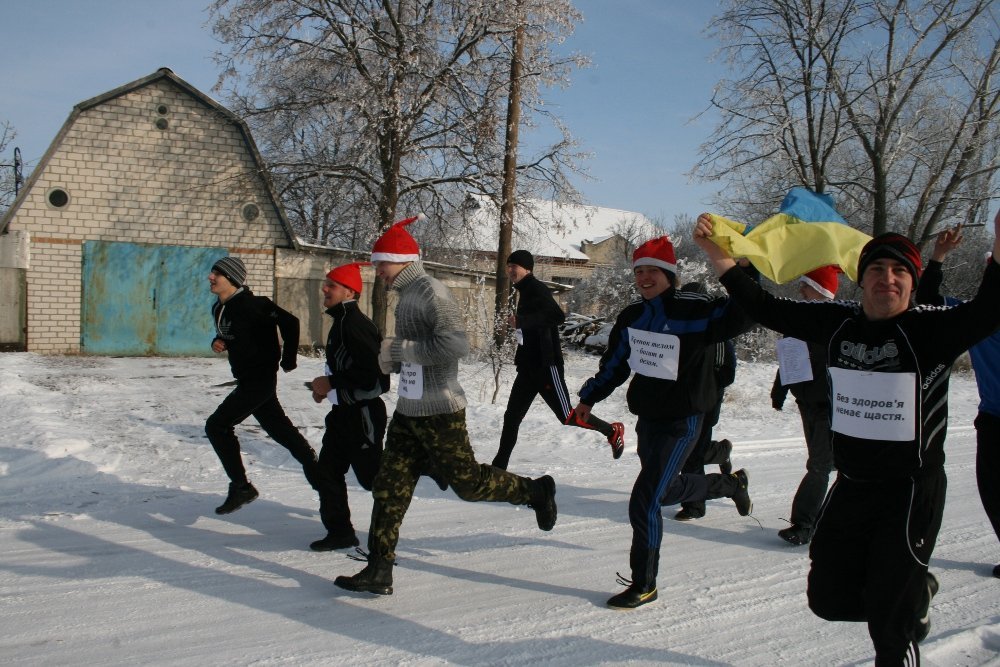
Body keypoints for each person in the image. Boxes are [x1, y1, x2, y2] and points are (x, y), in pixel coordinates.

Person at [693, 210, 1000, 666]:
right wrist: (718, 255)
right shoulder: (839, 322)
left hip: (910, 491)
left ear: (913, 283)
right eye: (877, 269)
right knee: (828, 599)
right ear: (862, 279)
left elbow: (991, 308)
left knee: (889, 628)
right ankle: (912, 594)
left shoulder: (932, 330)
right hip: (852, 485)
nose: (887, 279)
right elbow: (765, 308)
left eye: (899, 272)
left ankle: (901, 612)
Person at [334, 215, 558, 596]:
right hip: (409, 410)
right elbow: (418, 352)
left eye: (381, 264)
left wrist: (400, 350)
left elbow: (456, 346)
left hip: (440, 410)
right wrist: (394, 359)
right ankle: (379, 568)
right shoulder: (407, 295)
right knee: (388, 486)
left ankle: (535, 491)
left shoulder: (431, 293)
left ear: (400, 259)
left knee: (469, 485)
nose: (379, 272)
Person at [571, 236, 756, 609]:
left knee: (645, 499)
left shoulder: (694, 307)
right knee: (667, 490)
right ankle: (729, 484)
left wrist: (744, 273)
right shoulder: (633, 316)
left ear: (670, 273)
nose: (644, 277)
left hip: (684, 418)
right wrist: (588, 398)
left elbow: (743, 314)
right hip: (649, 418)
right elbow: (616, 364)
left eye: (652, 270)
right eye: (639, 271)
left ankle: (645, 583)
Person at [914, 226, 1000, 579]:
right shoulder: (972, 318)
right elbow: (927, 299)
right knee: (992, 491)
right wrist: (937, 258)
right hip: (992, 418)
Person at [205, 256, 321, 515]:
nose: (211, 278)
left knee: (217, 426)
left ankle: (241, 486)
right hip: (248, 379)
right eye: (212, 273)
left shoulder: (255, 305)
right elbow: (230, 334)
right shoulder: (219, 308)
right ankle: (318, 472)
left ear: (232, 279)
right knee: (282, 432)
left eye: (217, 274)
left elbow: (290, 322)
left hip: (260, 379)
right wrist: (218, 342)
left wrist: (288, 358)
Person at [492, 249, 625, 470]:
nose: (510, 270)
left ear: (527, 268)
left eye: (514, 266)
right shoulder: (523, 291)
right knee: (512, 417)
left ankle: (611, 431)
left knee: (567, 417)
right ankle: (499, 468)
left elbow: (557, 316)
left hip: (546, 365)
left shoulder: (536, 288)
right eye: (508, 266)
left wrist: (522, 321)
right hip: (528, 367)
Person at [307, 262, 389, 551]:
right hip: (342, 414)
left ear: (350, 291)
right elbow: (347, 369)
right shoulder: (340, 323)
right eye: (326, 283)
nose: (324, 289)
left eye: (332, 285)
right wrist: (327, 388)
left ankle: (428, 466)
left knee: (372, 480)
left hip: (363, 416)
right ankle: (340, 531)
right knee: (326, 472)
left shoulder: (356, 325)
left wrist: (332, 383)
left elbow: (377, 377)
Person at [769, 266, 840, 546]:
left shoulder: (839, 323)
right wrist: (779, 392)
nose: (800, 290)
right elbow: (788, 360)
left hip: (832, 406)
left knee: (820, 465)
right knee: (826, 464)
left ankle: (804, 524)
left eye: (806, 286)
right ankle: (830, 519)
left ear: (821, 292)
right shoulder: (798, 321)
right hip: (807, 404)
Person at [673, 282, 737, 521]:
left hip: (704, 404)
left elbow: (726, 373)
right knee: (689, 451)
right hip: (679, 405)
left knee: (692, 455)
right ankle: (720, 451)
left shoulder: (717, 334)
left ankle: (694, 506)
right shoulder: (678, 329)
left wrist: (703, 385)